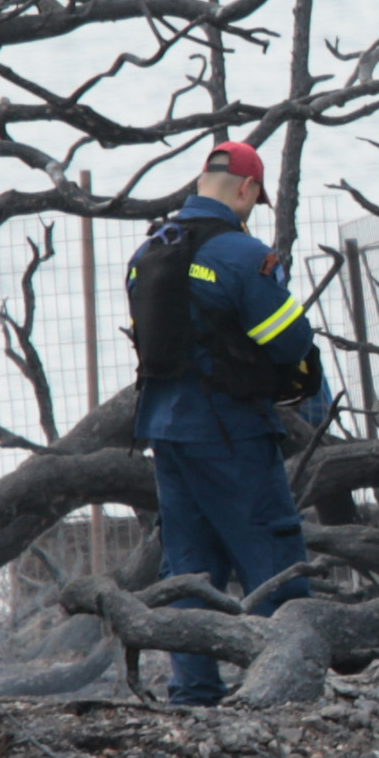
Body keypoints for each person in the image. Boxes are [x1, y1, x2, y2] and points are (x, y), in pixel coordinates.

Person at [127, 139, 334, 707]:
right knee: (273, 556)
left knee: (191, 567)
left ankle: (192, 690)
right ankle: (285, 687)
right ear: (246, 189)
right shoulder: (244, 257)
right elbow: (289, 340)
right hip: (231, 433)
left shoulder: (150, 250)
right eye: (255, 197)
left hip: (165, 431)